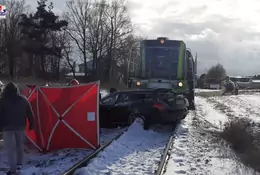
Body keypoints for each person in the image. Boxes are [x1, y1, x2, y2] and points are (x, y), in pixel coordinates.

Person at [0, 82, 34, 175]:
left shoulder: (2, 100)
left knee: (11, 149)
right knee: (19, 146)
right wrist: (32, 123)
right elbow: (30, 113)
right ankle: (19, 164)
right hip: (20, 126)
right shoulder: (24, 100)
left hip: (7, 128)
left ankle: (13, 169)